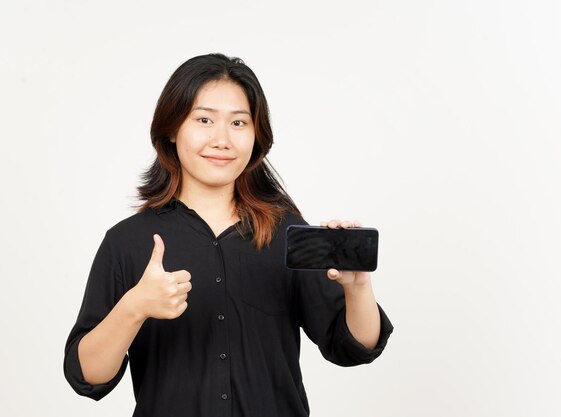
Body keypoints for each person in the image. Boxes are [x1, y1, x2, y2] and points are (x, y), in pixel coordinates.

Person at [63, 53, 394, 417]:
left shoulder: (285, 231)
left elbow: (353, 347)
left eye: (239, 123)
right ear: (173, 128)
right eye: (204, 119)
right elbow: (87, 376)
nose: (221, 139)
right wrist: (134, 307)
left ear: (256, 136)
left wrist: (357, 288)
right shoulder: (127, 241)